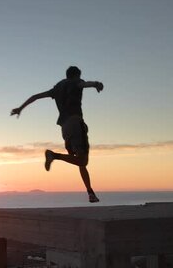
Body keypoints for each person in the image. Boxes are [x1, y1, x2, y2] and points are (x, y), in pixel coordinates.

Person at [10, 66, 103, 203]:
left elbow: (35, 97)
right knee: (83, 160)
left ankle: (90, 193)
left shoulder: (57, 88)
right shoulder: (75, 82)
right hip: (76, 123)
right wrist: (96, 84)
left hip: (64, 128)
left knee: (78, 161)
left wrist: (20, 108)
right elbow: (83, 84)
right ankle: (54, 155)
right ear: (76, 75)